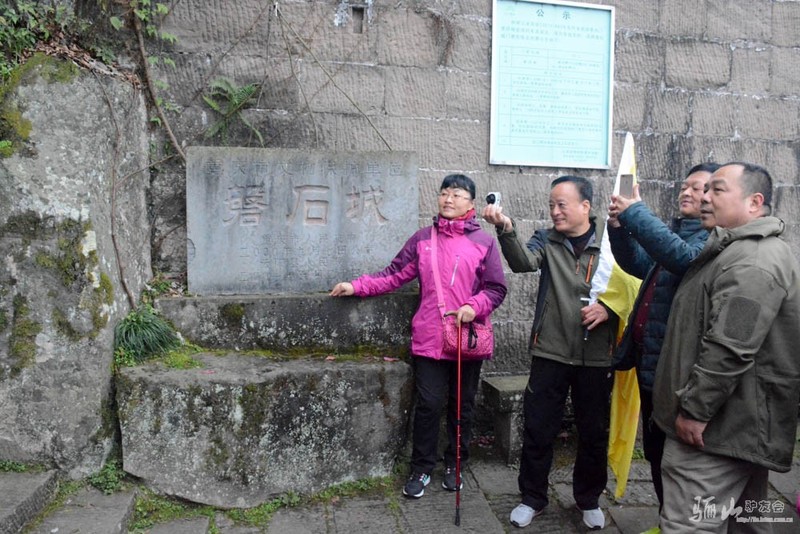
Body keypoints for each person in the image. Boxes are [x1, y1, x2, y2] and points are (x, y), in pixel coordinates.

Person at [330, 174, 507, 499]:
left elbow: (496, 288)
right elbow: (393, 274)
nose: (448, 199)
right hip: (430, 337)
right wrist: (356, 286)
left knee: (462, 406)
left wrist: (474, 306)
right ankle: (421, 467)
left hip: (467, 338)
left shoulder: (484, 242)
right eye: (444, 193)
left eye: (457, 194)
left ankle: (455, 463)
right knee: (428, 404)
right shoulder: (424, 239)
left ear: (471, 203)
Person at [652, 162, 800, 531]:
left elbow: (731, 346)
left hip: (715, 432)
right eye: (706, 190)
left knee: (688, 524)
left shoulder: (753, 263)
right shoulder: (732, 250)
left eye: (717, 190)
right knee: (746, 522)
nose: (704, 197)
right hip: (734, 427)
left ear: (755, 202)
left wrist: (695, 410)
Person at [482, 175, 618, 530]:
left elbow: (631, 284)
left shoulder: (612, 241)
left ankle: (588, 499)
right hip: (551, 351)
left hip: (597, 354)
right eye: (551, 205)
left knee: (593, 432)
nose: (555, 211)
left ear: (585, 206)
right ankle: (532, 498)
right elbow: (524, 262)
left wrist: (610, 309)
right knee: (539, 428)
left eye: (562, 205)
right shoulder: (546, 238)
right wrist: (506, 229)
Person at [606, 162, 719, 514]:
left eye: (698, 187)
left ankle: (681, 519)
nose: (687, 192)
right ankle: (666, 517)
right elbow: (639, 264)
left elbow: (683, 258)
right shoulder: (677, 234)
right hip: (650, 359)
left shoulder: (710, 239)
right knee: (655, 450)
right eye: (684, 186)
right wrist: (619, 228)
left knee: (676, 457)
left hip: (675, 369)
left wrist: (635, 212)